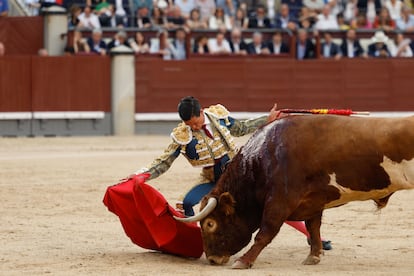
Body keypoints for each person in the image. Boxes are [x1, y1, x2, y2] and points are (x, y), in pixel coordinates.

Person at [131, 96, 332, 250]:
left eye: (196, 121)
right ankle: (194, 244)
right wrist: (143, 175)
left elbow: (241, 128)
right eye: (190, 125)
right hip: (214, 181)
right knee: (187, 204)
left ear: (201, 112)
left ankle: (313, 236)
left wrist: (267, 119)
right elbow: (165, 160)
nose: (194, 127)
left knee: (271, 204)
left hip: (240, 176)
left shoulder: (218, 115)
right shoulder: (182, 135)